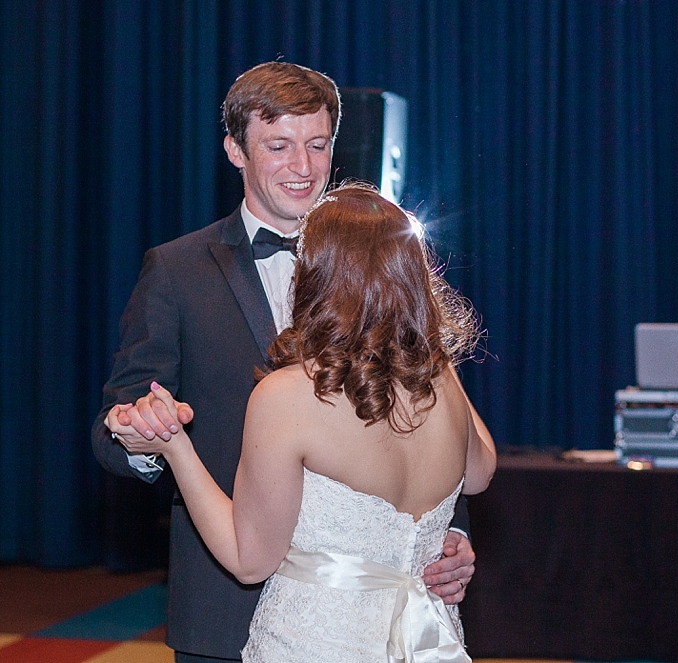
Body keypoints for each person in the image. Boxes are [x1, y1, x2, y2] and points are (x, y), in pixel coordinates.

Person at [91, 62, 479, 662]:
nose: (303, 167)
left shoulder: (382, 268)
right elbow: (115, 420)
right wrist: (141, 435)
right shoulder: (177, 271)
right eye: (279, 146)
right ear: (235, 150)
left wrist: (445, 534)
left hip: (373, 611)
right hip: (223, 607)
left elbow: (426, 430)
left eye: (318, 145)